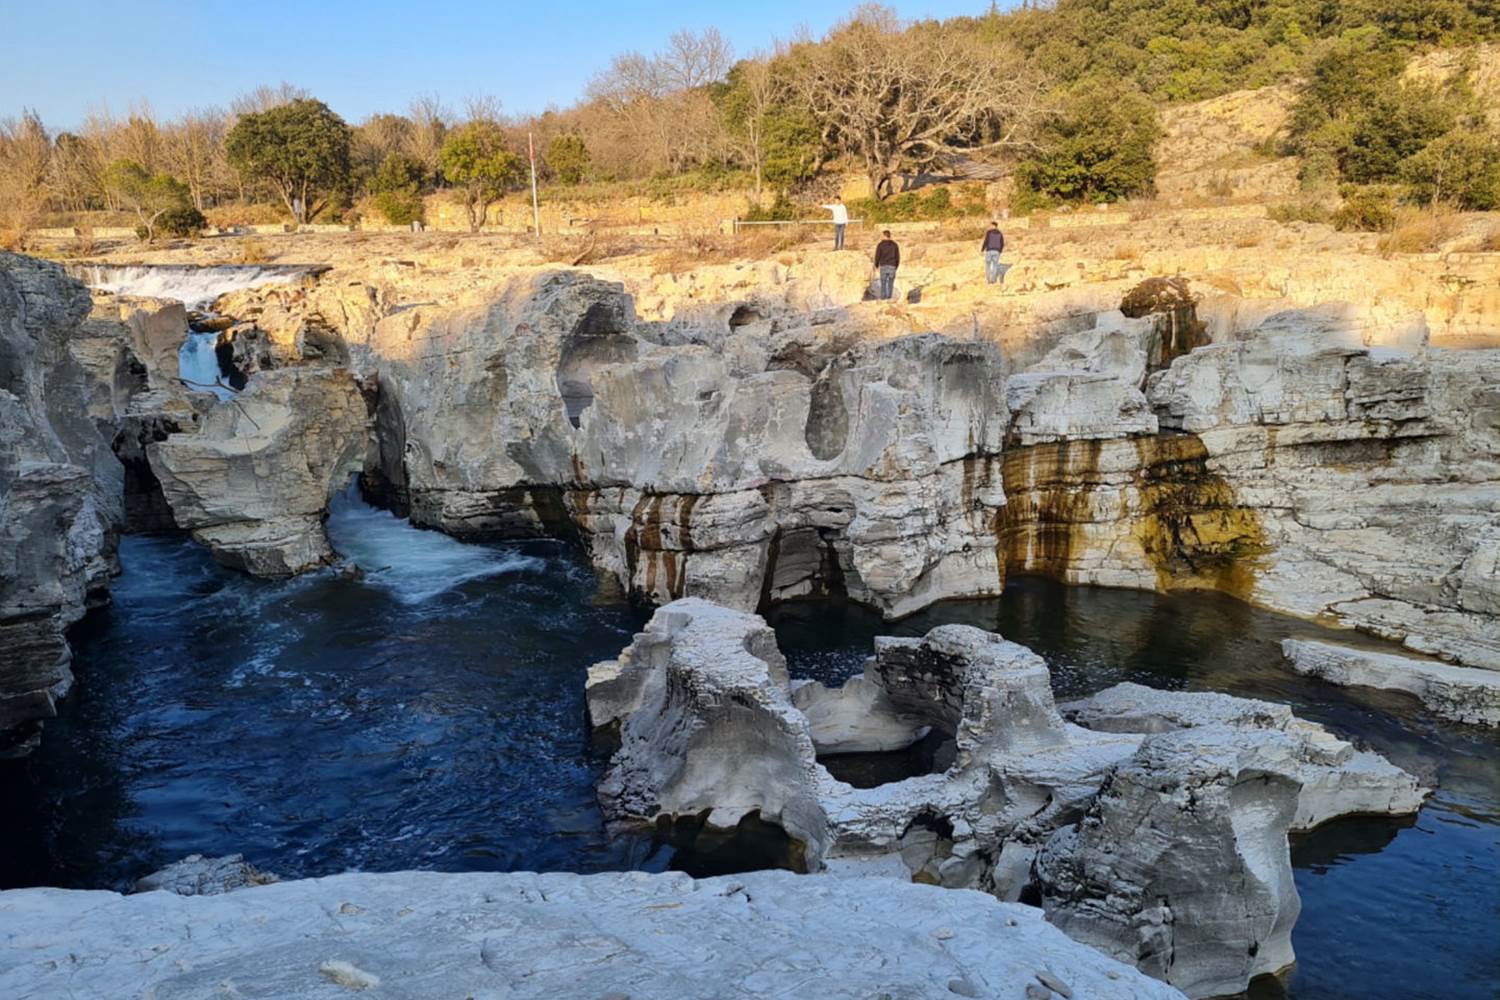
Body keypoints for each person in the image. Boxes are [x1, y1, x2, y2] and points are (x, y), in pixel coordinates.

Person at [873, 230, 900, 300]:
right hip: (892, 265)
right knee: (890, 283)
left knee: (883, 282)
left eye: (882, 235)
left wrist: (876, 265)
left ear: (884, 235)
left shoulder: (880, 245)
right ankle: (889, 297)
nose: (881, 237)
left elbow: (877, 256)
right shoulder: (895, 245)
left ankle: (883, 297)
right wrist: (896, 266)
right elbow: (897, 256)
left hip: (883, 265)